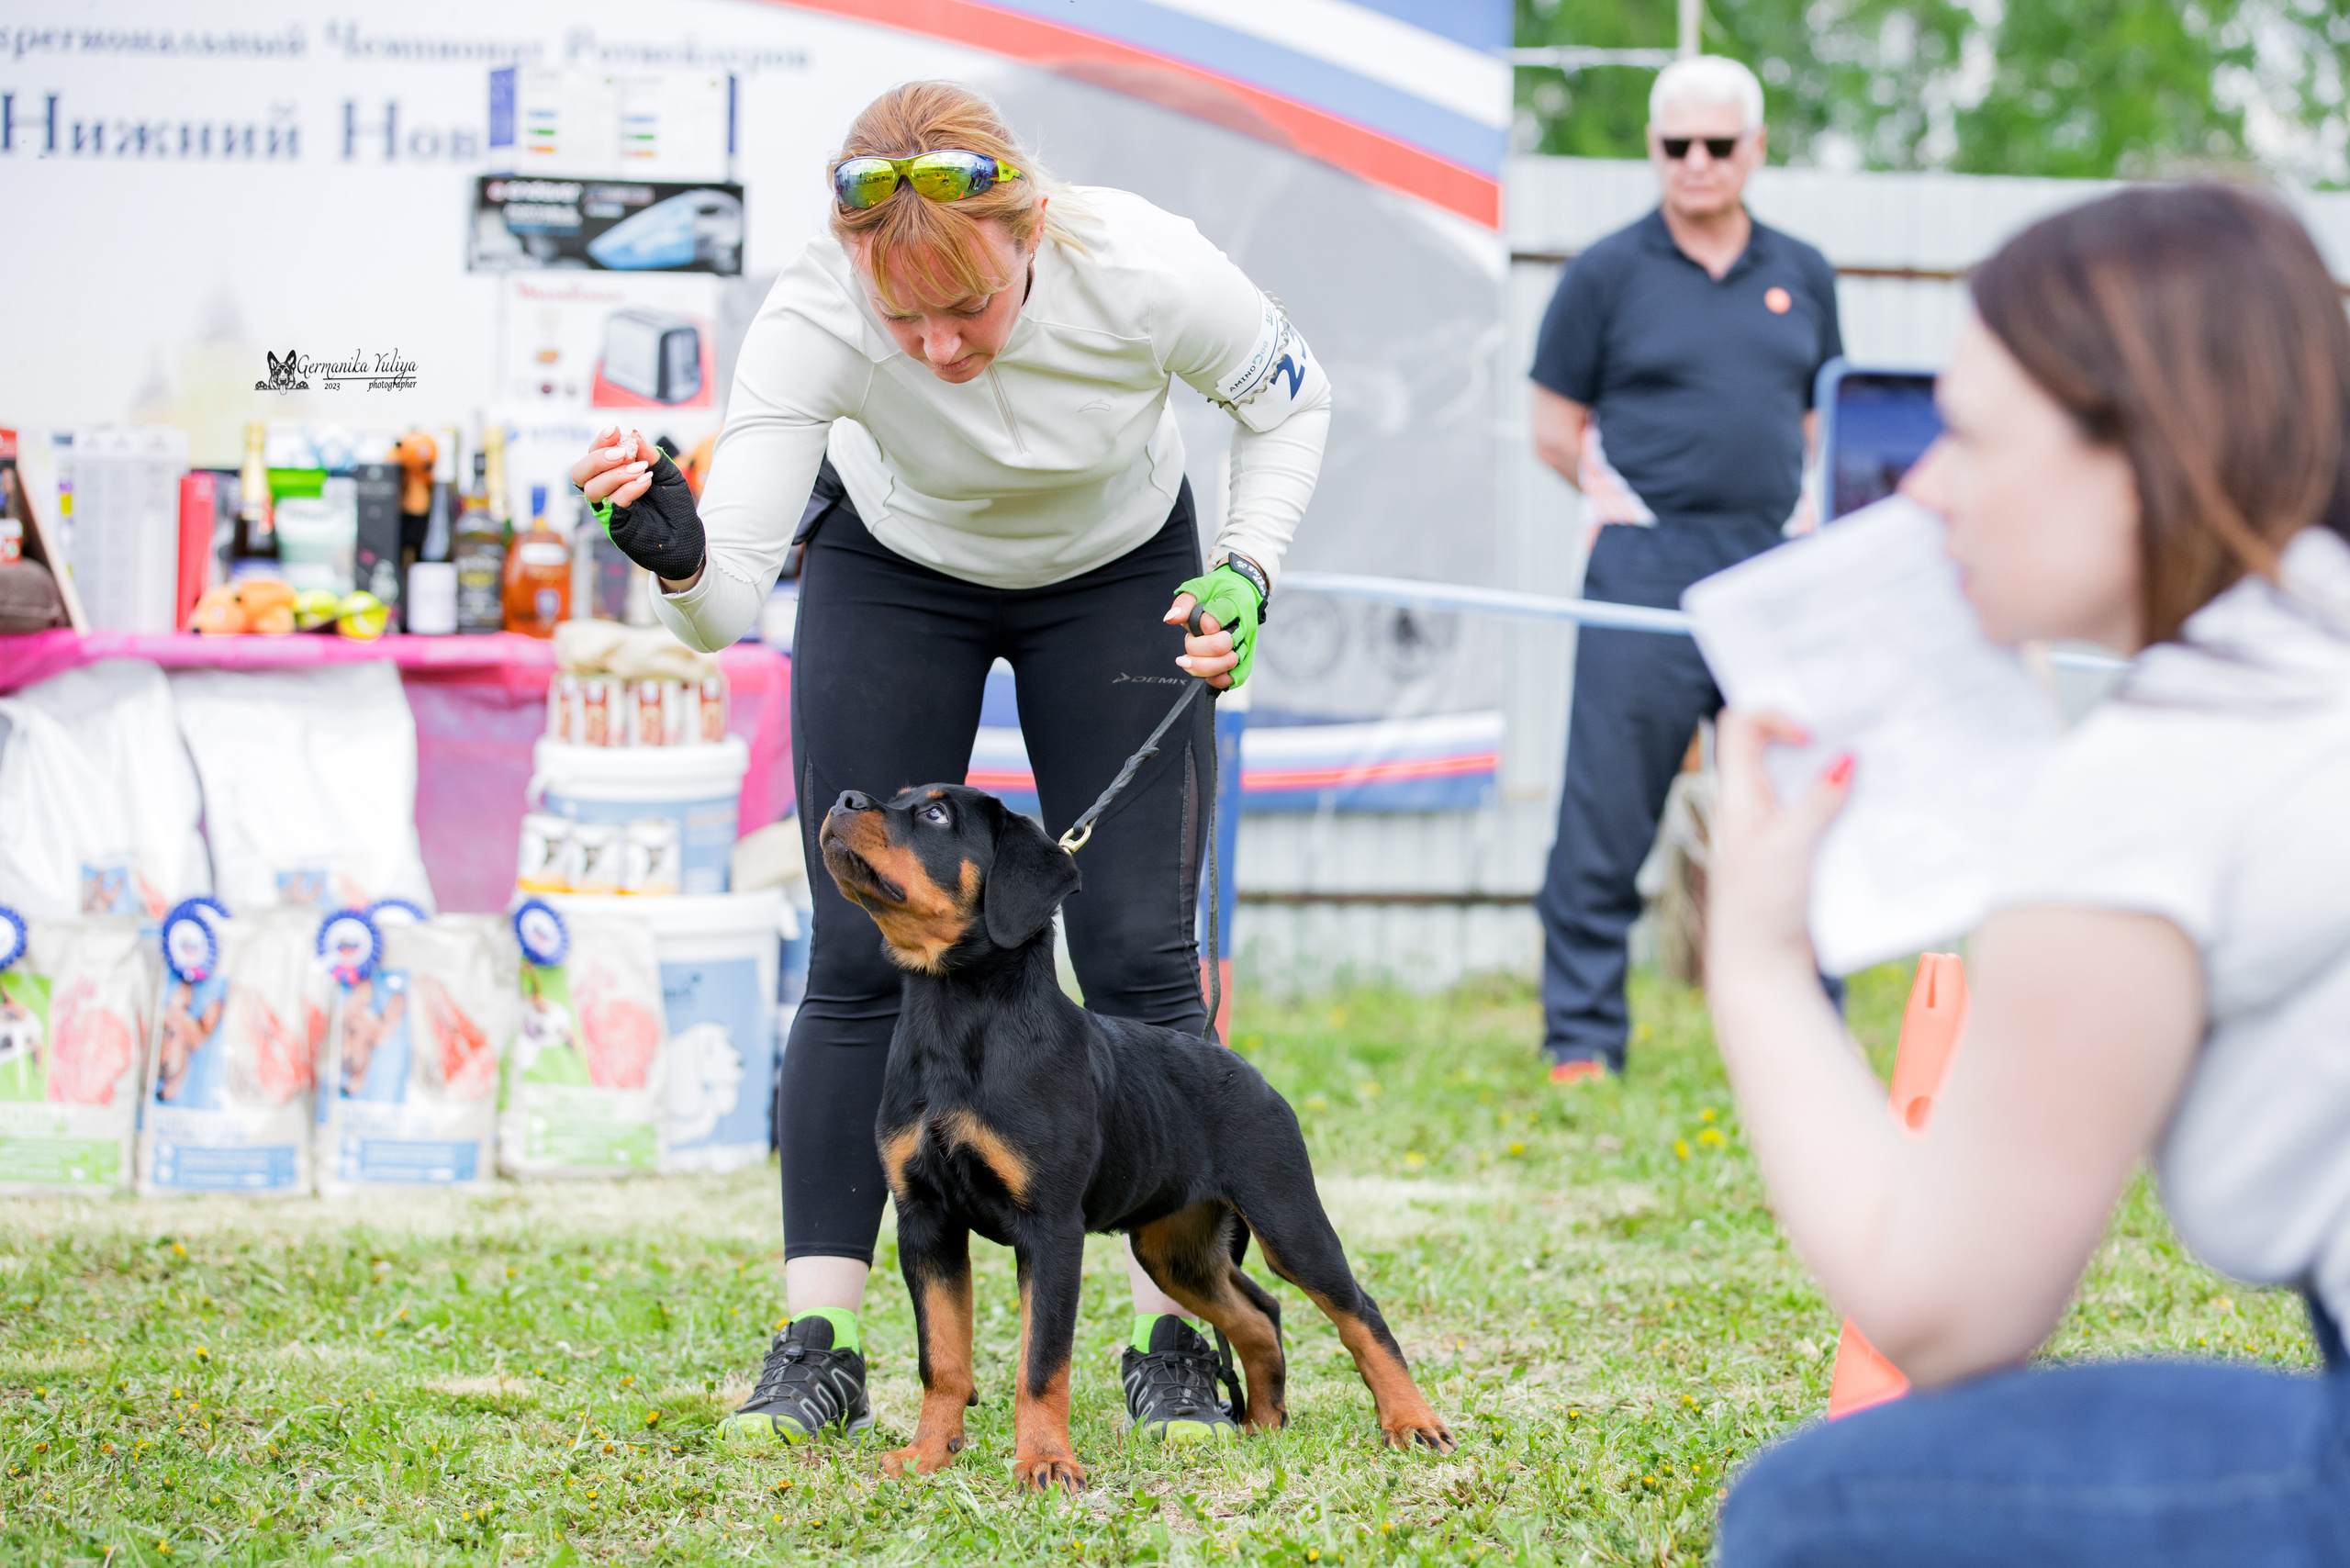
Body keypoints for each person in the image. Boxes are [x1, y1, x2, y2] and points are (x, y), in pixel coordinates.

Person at [572, 81, 1328, 1450]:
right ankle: (821, 1346)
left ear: (1031, 229)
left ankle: (1177, 1343)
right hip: (897, 567)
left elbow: (1294, 400)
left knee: (1142, 951)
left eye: (969, 307)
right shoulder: (811, 315)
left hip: (1119, 572)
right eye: (900, 317)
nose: (935, 345)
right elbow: (725, 601)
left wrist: (1248, 570)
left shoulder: (1145, 267)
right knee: (856, 955)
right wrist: (677, 553)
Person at [1707, 183, 2350, 1563]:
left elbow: (1943, 1311)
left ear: (2142, 452)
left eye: (1976, 436)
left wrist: (1753, 961)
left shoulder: (2170, 761)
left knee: (1811, 1516)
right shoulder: (2314, 648)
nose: (1927, 485)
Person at [1527, 55, 1842, 1083]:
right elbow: (1551, 425)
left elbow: (1814, 418)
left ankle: (1807, 1035)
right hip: (1642, 566)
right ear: (1654, 151)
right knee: (1606, 810)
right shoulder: (1605, 272)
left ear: (1752, 149)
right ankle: (1580, 1039)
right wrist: (1622, 503)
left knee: (1792, 804)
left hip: (1774, 572)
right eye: (1677, 145)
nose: (1697, 162)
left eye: (1718, 144)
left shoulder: (1805, 270)